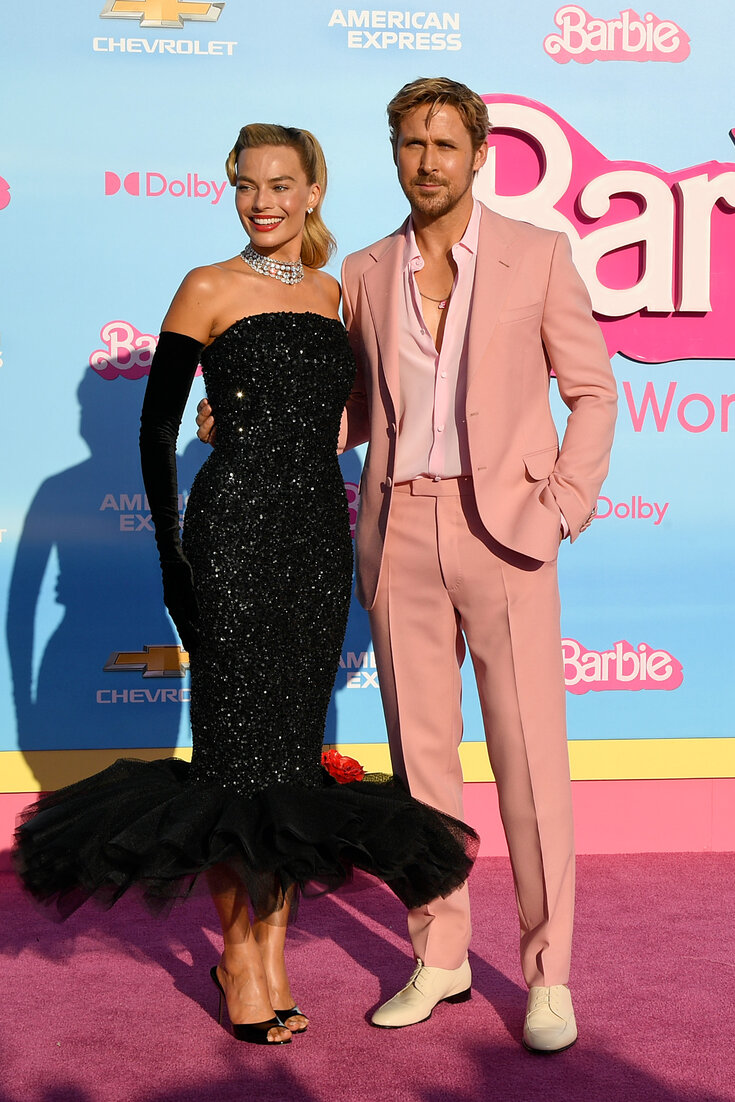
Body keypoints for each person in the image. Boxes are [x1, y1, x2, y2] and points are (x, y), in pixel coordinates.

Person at [12, 123, 478, 1046]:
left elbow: (343, 413)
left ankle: (262, 952)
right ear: (233, 193)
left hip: (313, 541)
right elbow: (155, 433)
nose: (262, 200)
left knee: (286, 765)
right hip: (228, 541)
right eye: (246, 185)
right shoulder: (206, 285)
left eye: (280, 184)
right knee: (233, 761)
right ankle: (247, 961)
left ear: (312, 191)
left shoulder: (335, 291)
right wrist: (171, 559)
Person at [198, 78, 619, 1053]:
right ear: (393, 156)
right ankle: (442, 954)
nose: (426, 161)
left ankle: (549, 973)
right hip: (399, 534)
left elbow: (593, 392)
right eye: (410, 145)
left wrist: (562, 505)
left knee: (530, 770)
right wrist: (254, 423)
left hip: (508, 532)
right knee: (422, 772)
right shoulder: (367, 266)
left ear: (479, 156)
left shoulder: (537, 256)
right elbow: (349, 412)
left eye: (443, 143)